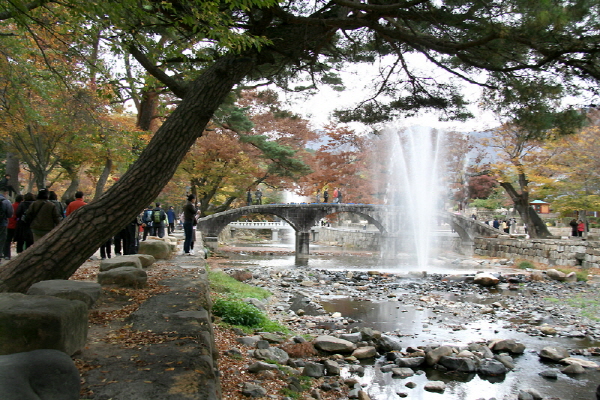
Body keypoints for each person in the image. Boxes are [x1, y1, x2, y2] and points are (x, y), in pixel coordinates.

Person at [4, 194, 22, 260]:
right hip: (17, 226)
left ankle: (7, 255)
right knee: (20, 240)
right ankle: (19, 254)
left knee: (8, 240)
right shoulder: (20, 206)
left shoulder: (12, 205)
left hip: (10, 225)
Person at [0, 189, 14, 261]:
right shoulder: (6, 202)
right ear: (5, 193)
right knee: (1, 239)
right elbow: (10, 214)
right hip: (2, 223)